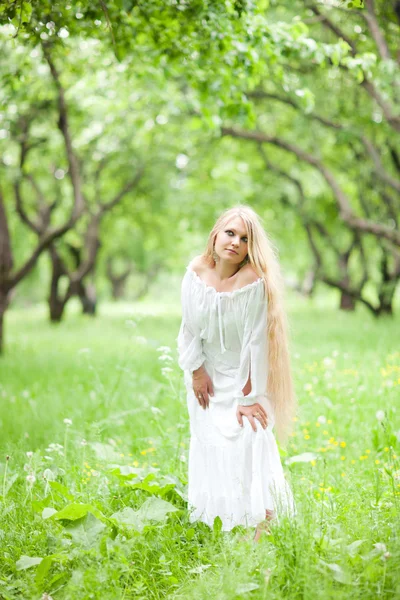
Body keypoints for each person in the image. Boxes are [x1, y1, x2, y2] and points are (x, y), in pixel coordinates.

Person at [177, 205, 296, 541]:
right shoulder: (195, 272)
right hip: (206, 377)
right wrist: (197, 372)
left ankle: (261, 521)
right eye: (230, 233)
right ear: (216, 233)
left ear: (249, 247)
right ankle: (222, 519)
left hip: (245, 378)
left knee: (250, 438)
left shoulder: (253, 281)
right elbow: (188, 330)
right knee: (210, 443)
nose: (235, 242)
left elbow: (255, 344)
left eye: (244, 239)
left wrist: (249, 397)